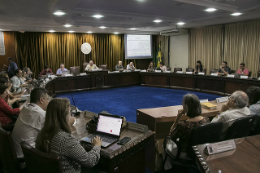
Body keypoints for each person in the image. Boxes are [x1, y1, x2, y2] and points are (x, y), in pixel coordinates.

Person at [36, 98, 102, 173]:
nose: (71, 115)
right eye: (69, 112)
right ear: (63, 116)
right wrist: (97, 146)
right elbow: (90, 161)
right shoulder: (66, 140)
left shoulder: (41, 133)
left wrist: (66, 124)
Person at [164, 94, 210, 170]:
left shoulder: (184, 125)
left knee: (165, 143)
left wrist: (178, 117)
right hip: (200, 151)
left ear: (186, 107)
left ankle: (168, 169)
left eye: (183, 104)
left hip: (186, 154)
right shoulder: (206, 120)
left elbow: (171, 134)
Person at [12, 88, 49, 158]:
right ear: (41, 100)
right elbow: (54, 131)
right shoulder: (40, 114)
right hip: (27, 158)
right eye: (47, 99)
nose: (48, 101)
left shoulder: (26, 108)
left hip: (17, 152)